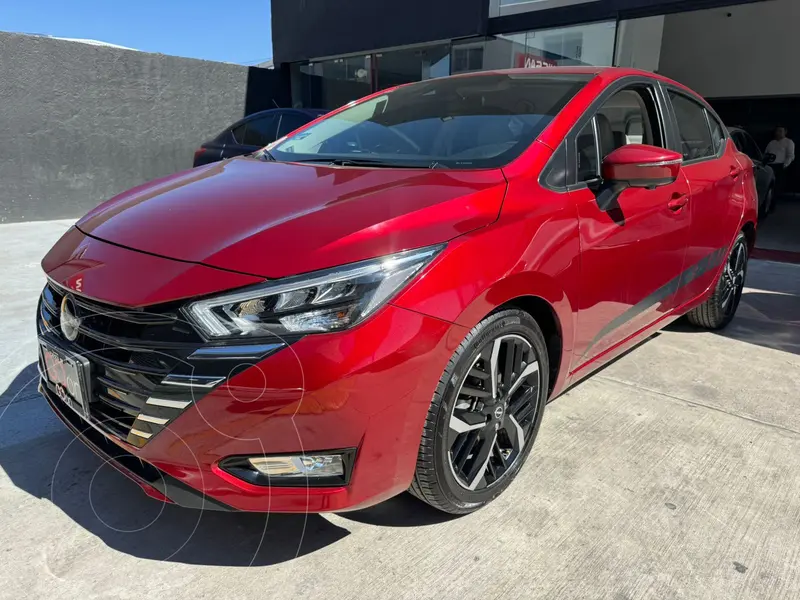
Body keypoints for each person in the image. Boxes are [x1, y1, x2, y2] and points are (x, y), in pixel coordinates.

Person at [765, 126, 795, 211]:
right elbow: (766, 153)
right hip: (770, 165)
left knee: (776, 187)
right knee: (768, 185)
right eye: (777, 131)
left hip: (780, 166)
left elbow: (790, 156)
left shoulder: (789, 142)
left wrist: (784, 165)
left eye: (780, 131)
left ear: (785, 132)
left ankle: (772, 206)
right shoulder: (772, 143)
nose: (778, 133)